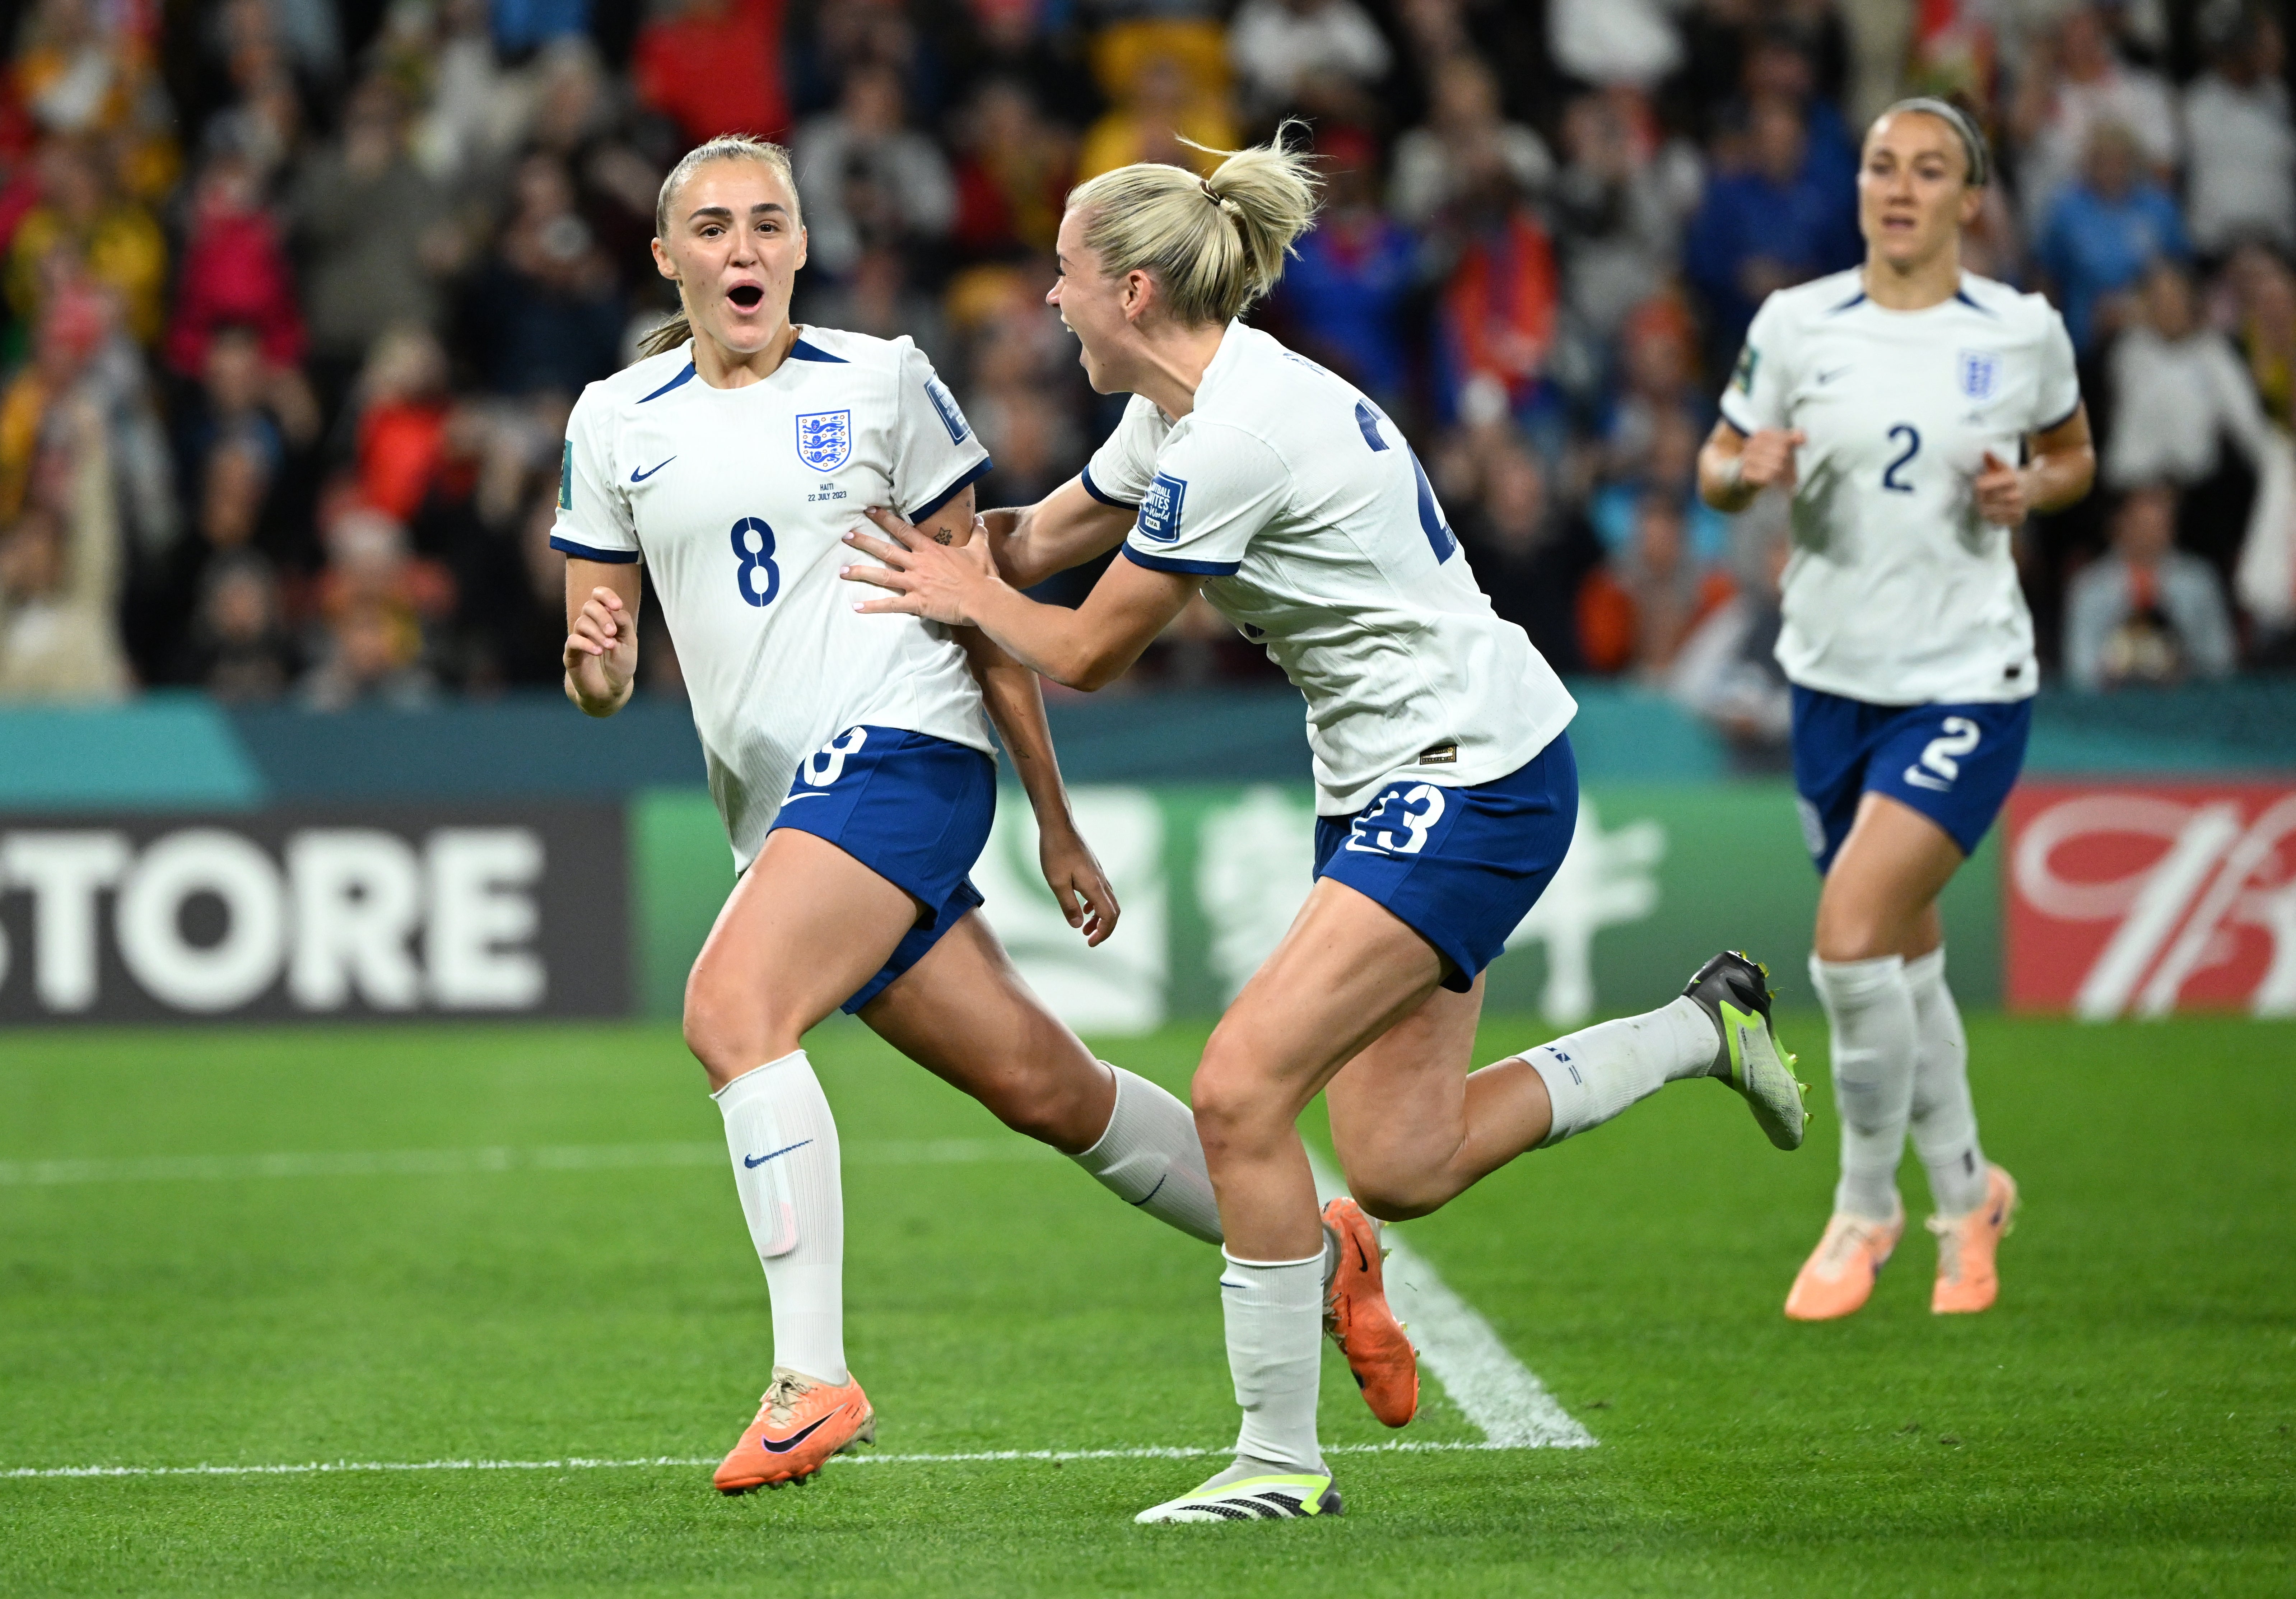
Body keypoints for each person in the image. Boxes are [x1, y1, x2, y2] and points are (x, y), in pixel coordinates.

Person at [839, 131, 1809, 1524]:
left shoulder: (1236, 433)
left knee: (1238, 1091)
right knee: (1404, 1162)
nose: (1048, 302)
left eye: (1062, 276)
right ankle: (1702, 1028)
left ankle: (1279, 1461)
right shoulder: (1184, 406)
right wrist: (898, 543)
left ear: (1134, 290)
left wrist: (961, 593)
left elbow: (1091, 646)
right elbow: (1035, 545)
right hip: (1403, 778)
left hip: (1467, 771)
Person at [552, 135, 1231, 1498]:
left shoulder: (883, 380)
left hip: (904, 752)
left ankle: (813, 1379)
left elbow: (972, 602)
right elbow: (604, 671)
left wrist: (1051, 812)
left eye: (767, 225)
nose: (742, 250)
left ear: (802, 246)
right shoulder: (613, 420)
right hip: (788, 814)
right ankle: (1319, 1246)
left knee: (731, 1014)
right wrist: (599, 665)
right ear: (668, 258)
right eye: (713, 229)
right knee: (1049, 1089)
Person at [1696, 99, 2096, 1324]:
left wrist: (2032, 486)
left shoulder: (2019, 329)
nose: (1900, 187)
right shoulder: (1796, 322)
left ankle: (1865, 1209)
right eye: (1881, 166)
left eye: (1930, 170)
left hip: (1967, 677)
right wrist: (1739, 472)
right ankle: (1968, 1192)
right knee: (1905, 970)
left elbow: (2076, 455)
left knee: (1849, 936)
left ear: (1970, 199)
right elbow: (1715, 462)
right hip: (1829, 681)